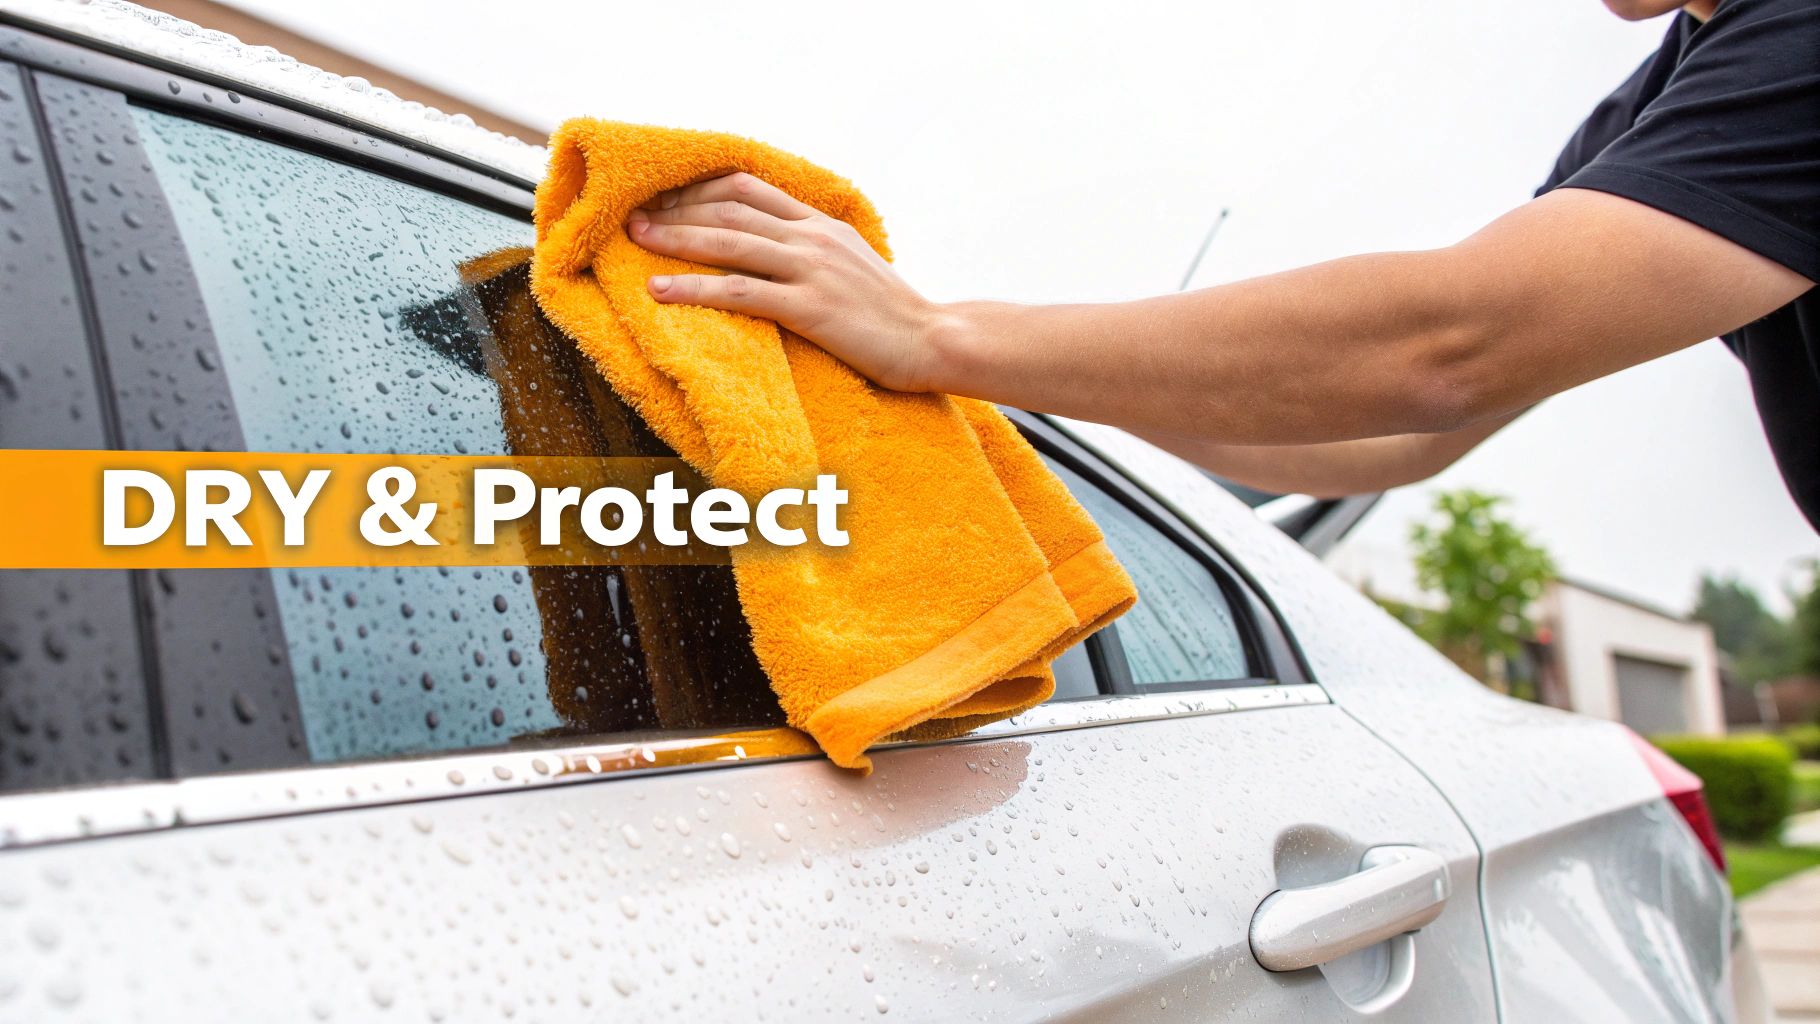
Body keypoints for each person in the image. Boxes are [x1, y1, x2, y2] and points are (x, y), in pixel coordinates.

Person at [624, 0, 1819, 530]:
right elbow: (1389, 440)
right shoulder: (1659, 103)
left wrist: (936, 335)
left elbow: (1451, 346)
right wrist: (1014, 378)